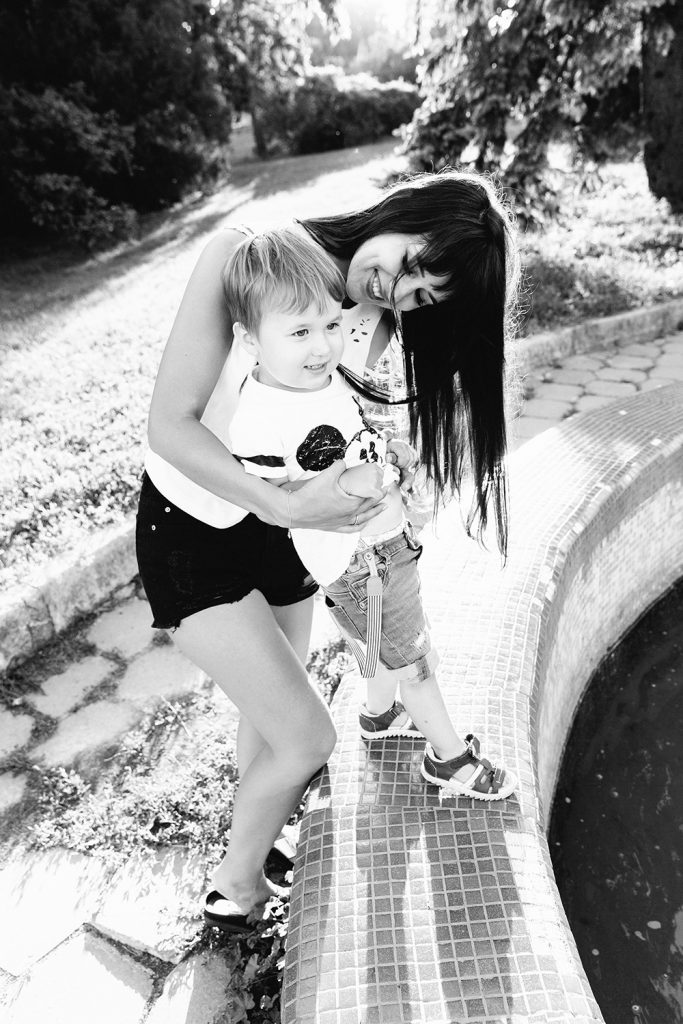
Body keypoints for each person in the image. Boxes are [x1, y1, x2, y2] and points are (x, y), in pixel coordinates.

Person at [135, 169, 519, 932]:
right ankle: (234, 889)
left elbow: (324, 432)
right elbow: (169, 427)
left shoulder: (377, 317)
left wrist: (380, 468)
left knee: (271, 720)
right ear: (405, 209)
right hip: (192, 534)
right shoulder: (248, 255)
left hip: (286, 540)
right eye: (412, 263)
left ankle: (256, 839)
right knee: (308, 736)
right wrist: (282, 502)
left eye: (422, 296)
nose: (396, 289)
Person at [225, 227, 517, 801]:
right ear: (250, 340)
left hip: (381, 548)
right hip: (360, 562)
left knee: (383, 642)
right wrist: (358, 479)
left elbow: (353, 439)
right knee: (415, 660)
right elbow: (276, 497)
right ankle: (449, 759)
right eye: (301, 333)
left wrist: (390, 454)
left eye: (331, 326)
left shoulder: (318, 381)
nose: (322, 347)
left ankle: (380, 716)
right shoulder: (259, 415)